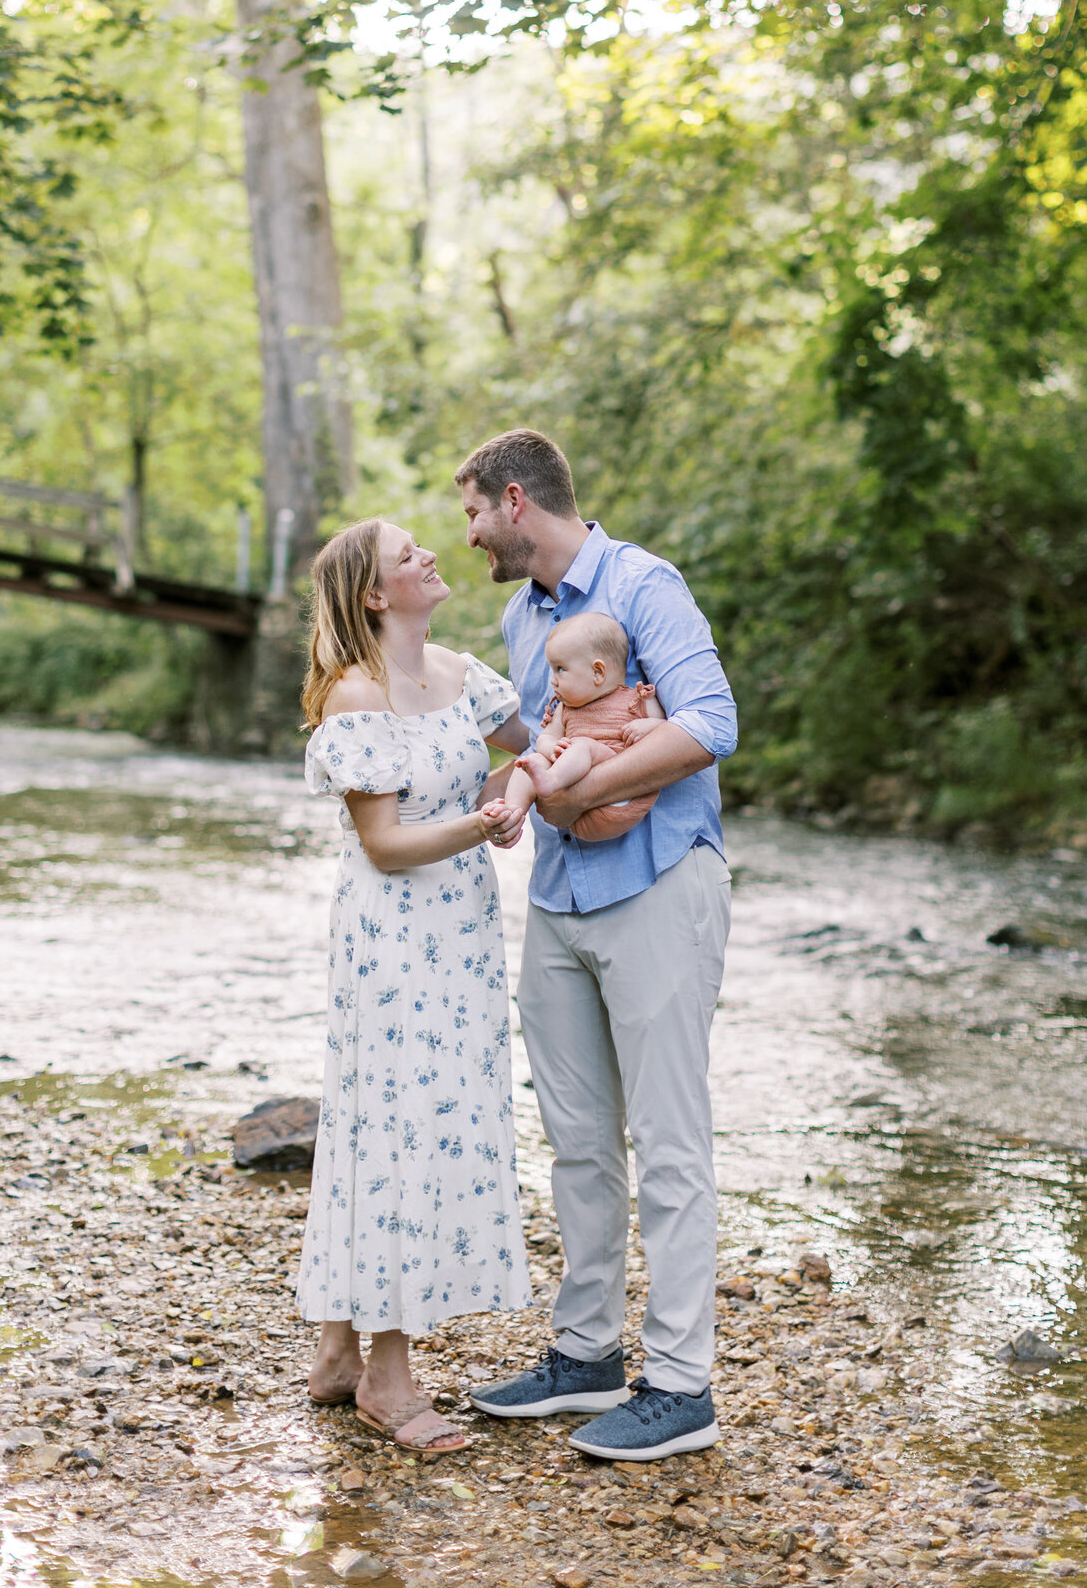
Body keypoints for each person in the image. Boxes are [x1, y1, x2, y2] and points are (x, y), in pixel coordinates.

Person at [456, 429, 738, 1462]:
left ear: (515, 500)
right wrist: (520, 783)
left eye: (475, 513)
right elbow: (542, 741)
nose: (473, 534)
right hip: (561, 897)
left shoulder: (645, 584)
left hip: (662, 882)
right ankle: (587, 1356)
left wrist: (584, 789)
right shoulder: (517, 615)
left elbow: (712, 722)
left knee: (669, 1141)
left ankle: (682, 1385)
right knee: (577, 1136)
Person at [297, 516, 533, 1456]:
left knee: (418, 1124)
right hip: (392, 942)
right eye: (408, 556)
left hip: (463, 933)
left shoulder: (466, 674)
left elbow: (534, 748)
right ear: (372, 594)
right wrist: (486, 824)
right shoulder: (358, 696)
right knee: (393, 1130)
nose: (431, 556)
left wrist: (523, 790)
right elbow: (387, 848)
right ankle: (388, 1384)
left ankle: (337, 1355)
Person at [504, 610, 667, 843]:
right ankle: (511, 813)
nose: (553, 679)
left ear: (598, 672)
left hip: (620, 801)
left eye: (560, 669)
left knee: (582, 746)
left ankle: (550, 781)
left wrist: (649, 726)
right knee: (528, 761)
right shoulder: (564, 709)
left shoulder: (637, 700)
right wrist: (551, 749)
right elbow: (545, 738)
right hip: (574, 813)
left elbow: (669, 730)